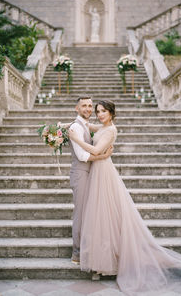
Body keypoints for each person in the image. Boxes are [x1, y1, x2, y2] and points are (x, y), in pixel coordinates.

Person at [68, 100, 181, 296]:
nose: (100, 114)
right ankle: (100, 257)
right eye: (98, 111)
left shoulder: (111, 130)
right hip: (97, 172)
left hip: (103, 172)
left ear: (112, 113)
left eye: (104, 111)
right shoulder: (101, 126)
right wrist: (65, 126)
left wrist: (75, 139)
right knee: (99, 216)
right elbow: (87, 125)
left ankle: (110, 258)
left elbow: (95, 150)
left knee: (107, 213)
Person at [65, 96, 112, 266]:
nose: (88, 109)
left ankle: (88, 248)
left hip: (90, 173)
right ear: (76, 108)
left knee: (89, 213)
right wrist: (104, 156)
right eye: (84, 106)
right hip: (80, 173)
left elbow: (104, 126)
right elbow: (82, 156)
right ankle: (77, 253)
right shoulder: (76, 127)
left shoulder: (82, 125)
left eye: (90, 106)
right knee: (81, 213)